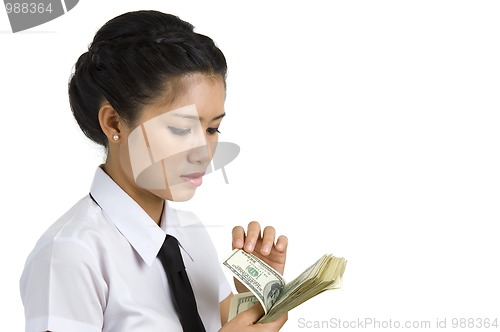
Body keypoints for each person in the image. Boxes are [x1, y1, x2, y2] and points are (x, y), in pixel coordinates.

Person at [19, 10, 288, 332]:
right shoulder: (71, 253)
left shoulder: (190, 233)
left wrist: (257, 297)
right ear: (114, 123)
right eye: (179, 129)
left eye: (213, 129)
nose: (204, 153)